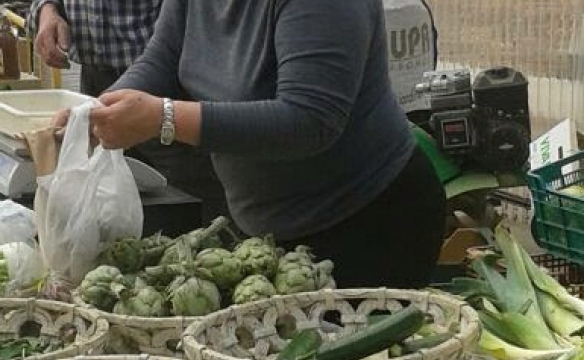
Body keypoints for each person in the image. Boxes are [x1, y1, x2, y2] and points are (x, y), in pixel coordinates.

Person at [55, 0, 447, 288]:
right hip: (268, 229)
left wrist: (164, 118)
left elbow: (310, 120)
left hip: (367, 223)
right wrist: (97, 111)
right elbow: (163, 59)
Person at [28, 0, 230, 224]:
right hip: (106, 80)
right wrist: (48, 9)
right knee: (111, 209)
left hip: (171, 89)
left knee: (195, 208)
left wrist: (162, 117)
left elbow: (168, 53)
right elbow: (158, 57)